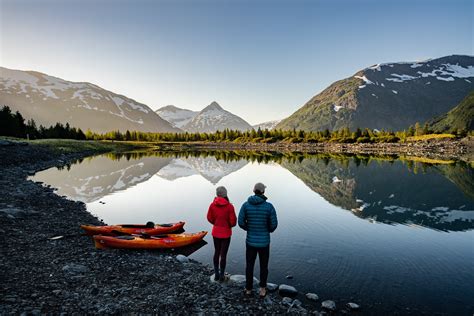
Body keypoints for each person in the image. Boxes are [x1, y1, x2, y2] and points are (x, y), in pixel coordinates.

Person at [238, 182, 278, 298]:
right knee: (264, 266)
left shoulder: (246, 205)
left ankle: (249, 289)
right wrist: (268, 230)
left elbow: (240, 222)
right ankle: (262, 289)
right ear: (263, 192)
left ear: (253, 190)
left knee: (249, 265)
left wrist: (248, 228)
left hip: (250, 241)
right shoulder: (269, 206)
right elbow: (274, 225)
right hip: (264, 242)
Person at [207, 186, 237, 281]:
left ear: (217, 194)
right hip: (226, 234)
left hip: (215, 232)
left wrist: (216, 223)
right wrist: (228, 225)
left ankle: (216, 274)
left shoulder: (212, 205)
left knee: (216, 252)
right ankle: (222, 275)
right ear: (225, 194)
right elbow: (233, 222)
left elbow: (209, 218)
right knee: (223, 255)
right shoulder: (230, 206)